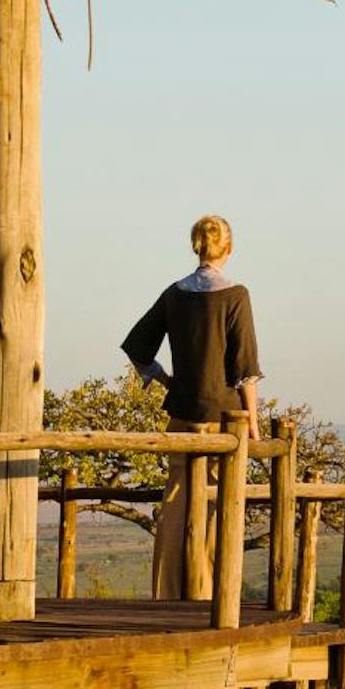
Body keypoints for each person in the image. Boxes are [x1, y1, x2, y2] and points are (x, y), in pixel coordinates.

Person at [121, 214, 262, 597]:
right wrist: (253, 422)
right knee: (218, 504)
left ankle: (168, 593)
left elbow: (136, 347)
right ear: (229, 249)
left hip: (182, 414)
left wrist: (164, 379)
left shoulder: (174, 294)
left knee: (176, 501)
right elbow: (245, 370)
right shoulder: (236, 295)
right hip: (224, 420)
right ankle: (211, 594)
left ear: (195, 246)